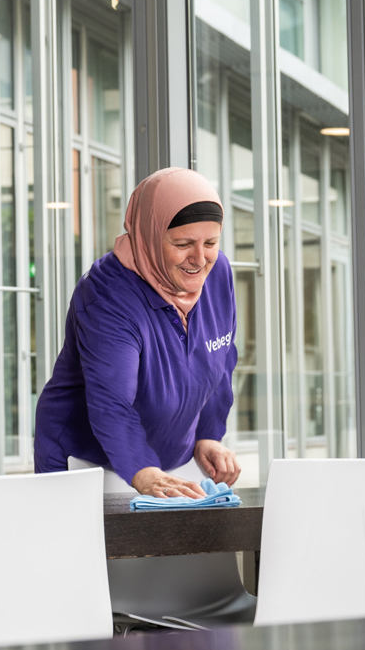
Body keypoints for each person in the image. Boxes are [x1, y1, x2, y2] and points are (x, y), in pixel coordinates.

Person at [34, 167, 240, 497]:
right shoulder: (107, 294)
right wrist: (141, 469)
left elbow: (219, 358)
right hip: (88, 461)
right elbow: (111, 399)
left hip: (168, 459)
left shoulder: (218, 275)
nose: (199, 259)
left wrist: (208, 434)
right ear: (148, 233)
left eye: (211, 242)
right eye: (183, 243)